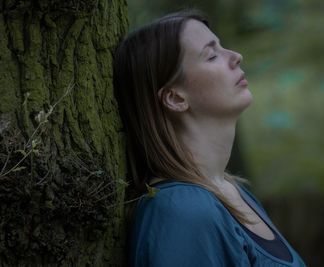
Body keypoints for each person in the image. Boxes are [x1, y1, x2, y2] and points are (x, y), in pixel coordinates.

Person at [113, 9, 307, 267]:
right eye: (212, 55)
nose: (236, 57)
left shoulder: (232, 191)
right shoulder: (182, 212)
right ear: (175, 98)